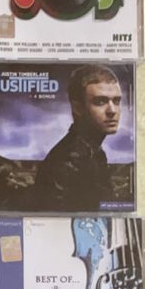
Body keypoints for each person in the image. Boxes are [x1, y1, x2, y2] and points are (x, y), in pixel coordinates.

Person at [33, 65, 122, 211]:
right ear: (78, 108)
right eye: (100, 101)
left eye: (116, 101)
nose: (112, 110)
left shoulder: (94, 152)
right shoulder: (66, 163)